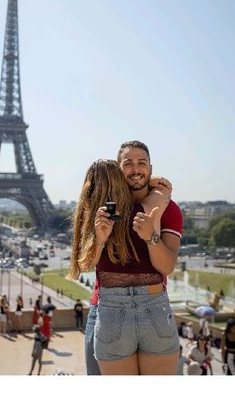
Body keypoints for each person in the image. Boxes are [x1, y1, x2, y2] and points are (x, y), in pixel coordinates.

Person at [71, 146, 182, 375]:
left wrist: (150, 237)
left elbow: (167, 266)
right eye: (128, 164)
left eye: (142, 163)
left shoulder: (162, 208)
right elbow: (87, 262)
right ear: (118, 169)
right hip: (142, 303)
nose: (136, 169)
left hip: (112, 306)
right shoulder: (155, 205)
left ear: (150, 168)